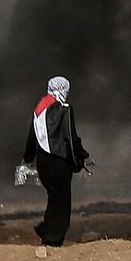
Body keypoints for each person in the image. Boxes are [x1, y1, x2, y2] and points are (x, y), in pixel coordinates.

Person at [20, 76, 90, 247]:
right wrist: (82, 157)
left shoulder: (39, 108)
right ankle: (52, 239)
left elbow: (32, 137)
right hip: (59, 162)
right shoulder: (64, 108)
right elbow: (71, 138)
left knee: (54, 198)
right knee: (62, 202)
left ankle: (46, 229)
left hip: (43, 163)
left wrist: (27, 160)